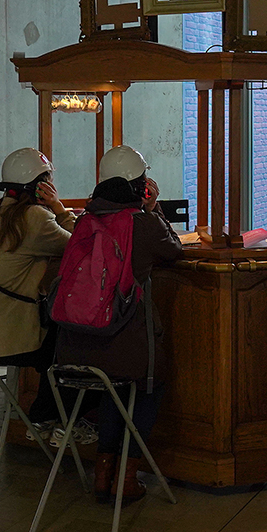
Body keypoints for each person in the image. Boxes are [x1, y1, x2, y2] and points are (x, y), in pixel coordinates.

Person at [55, 146, 183, 503]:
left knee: (112, 388)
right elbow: (174, 250)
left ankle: (103, 473)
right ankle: (126, 477)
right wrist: (154, 208)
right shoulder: (141, 224)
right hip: (123, 341)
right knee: (147, 384)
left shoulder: (83, 220)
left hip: (77, 345)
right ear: (141, 187)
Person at [0, 148, 93, 440]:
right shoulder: (36, 219)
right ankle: (53, 420)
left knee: (58, 337)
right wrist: (59, 208)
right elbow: (82, 245)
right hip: (4, 340)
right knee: (75, 341)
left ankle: (42, 417)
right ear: (42, 186)